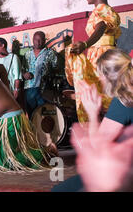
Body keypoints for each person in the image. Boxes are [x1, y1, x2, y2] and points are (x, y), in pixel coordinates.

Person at [52, 49, 133, 192]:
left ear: (109, 77)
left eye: (100, 75)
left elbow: (97, 149)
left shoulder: (123, 101)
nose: (100, 79)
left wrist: (92, 113)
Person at [65, 0, 121, 123]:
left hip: (101, 56)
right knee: (106, 97)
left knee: (99, 98)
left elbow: (101, 27)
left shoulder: (101, 10)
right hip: (108, 55)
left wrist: (85, 44)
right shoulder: (107, 9)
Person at [22, 31, 58, 118]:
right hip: (29, 90)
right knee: (32, 116)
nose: (38, 42)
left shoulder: (50, 53)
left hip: (43, 90)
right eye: (36, 40)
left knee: (45, 116)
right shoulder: (27, 54)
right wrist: (24, 74)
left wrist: (47, 74)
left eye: (40, 40)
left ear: (44, 41)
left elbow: (56, 69)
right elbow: (22, 69)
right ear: (33, 40)